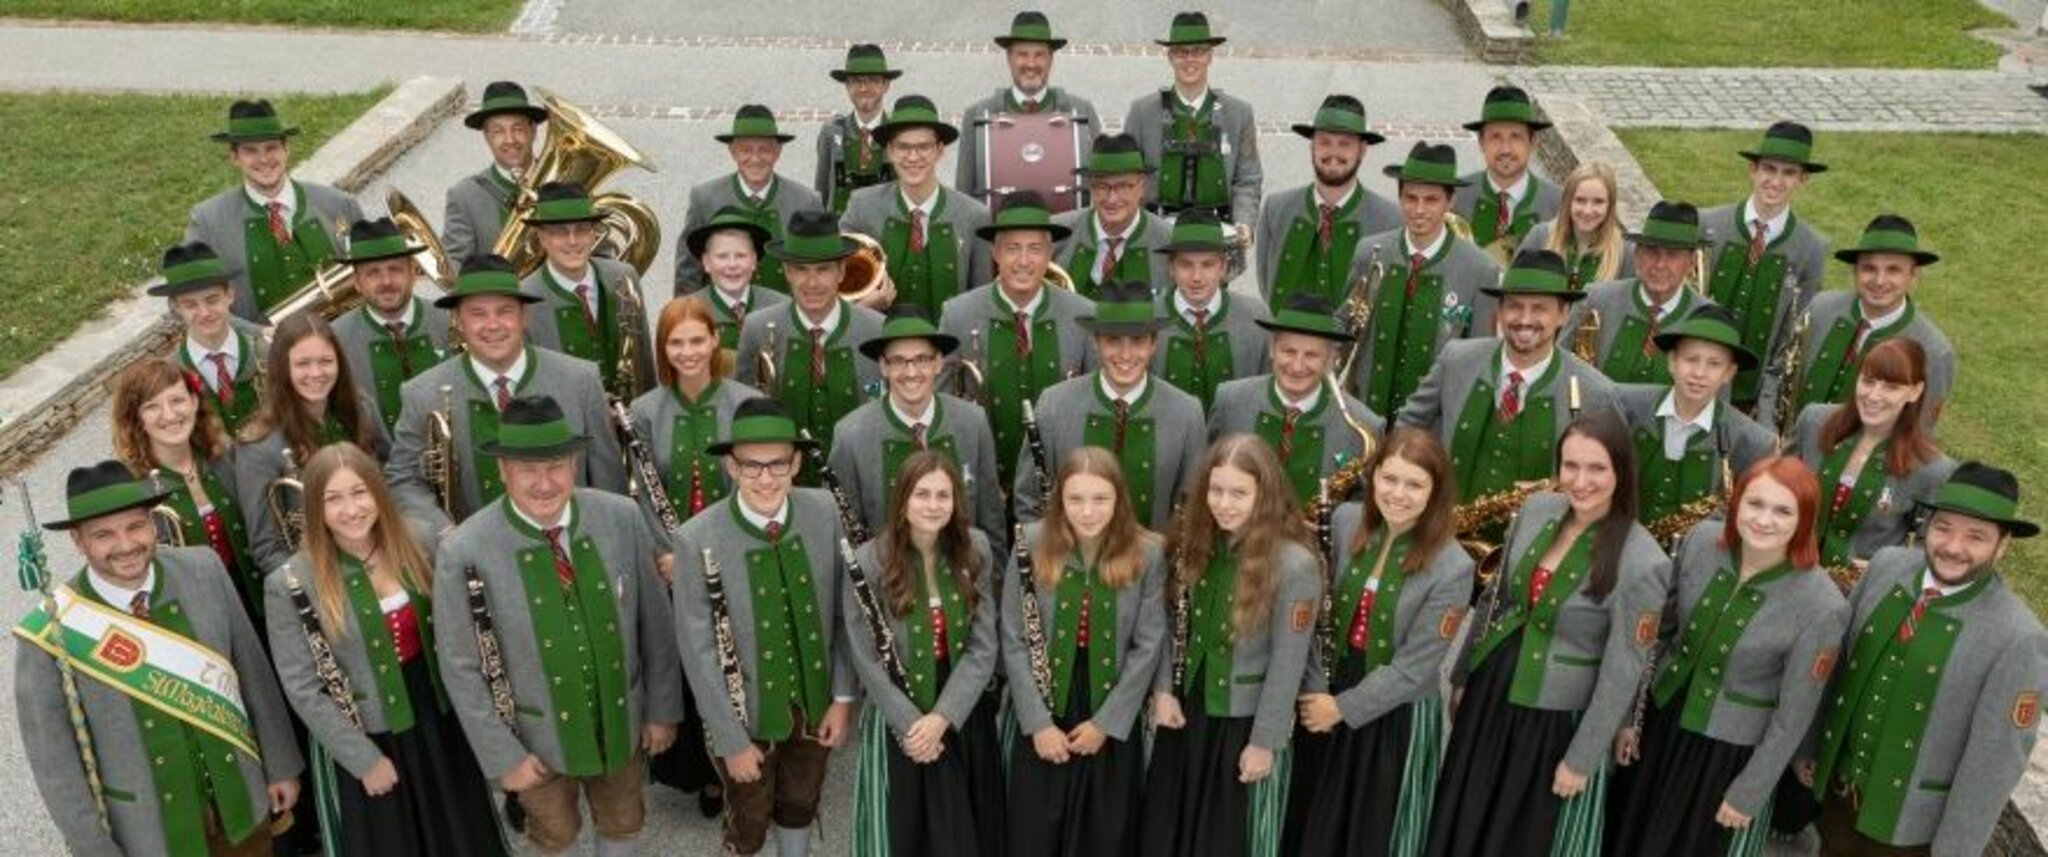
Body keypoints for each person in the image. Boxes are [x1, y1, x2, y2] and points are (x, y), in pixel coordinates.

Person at [432, 396, 683, 856]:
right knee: (554, 836)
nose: (544, 483)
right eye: (527, 469)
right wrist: (502, 757)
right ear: (503, 469)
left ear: (574, 463)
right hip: (534, 739)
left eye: (556, 465)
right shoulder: (465, 549)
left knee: (623, 822)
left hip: (621, 719)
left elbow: (657, 624)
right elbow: (460, 666)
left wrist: (662, 708)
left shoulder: (621, 517)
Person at [16, 460, 303, 857]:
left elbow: (253, 673)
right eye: (103, 535)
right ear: (78, 543)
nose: (125, 545)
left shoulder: (204, 569)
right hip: (147, 837)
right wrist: (93, 848)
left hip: (243, 804)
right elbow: (55, 765)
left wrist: (281, 763)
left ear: (152, 523)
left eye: (136, 526)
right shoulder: (52, 630)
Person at [1424, 412, 1670, 856]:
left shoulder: (1643, 561)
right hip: (1491, 697)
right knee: (1467, 813)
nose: (1580, 481)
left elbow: (1623, 671)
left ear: (1622, 472)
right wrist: (1462, 676)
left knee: (1520, 835)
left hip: (1552, 720)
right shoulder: (1537, 511)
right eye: (1570, 465)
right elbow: (1494, 598)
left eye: (1597, 468)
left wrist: (1582, 759)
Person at [263, 442, 502, 857]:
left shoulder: (421, 540)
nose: (351, 509)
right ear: (314, 508)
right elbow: (302, 688)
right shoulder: (289, 583)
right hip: (364, 733)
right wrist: (363, 760)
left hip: (438, 721)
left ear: (378, 491)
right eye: (332, 498)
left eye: (359, 492)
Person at [1605, 456, 1848, 857]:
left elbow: (1793, 717)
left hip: (1726, 756)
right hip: (1660, 726)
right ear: (1737, 503)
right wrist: (1630, 717)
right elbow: (1659, 634)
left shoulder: (1823, 605)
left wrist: (1749, 791)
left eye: (1783, 510)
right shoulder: (1702, 541)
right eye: (1755, 504)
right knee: (1625, 833)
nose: (1764, 520)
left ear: (1804, 519)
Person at [1804, 462, 2047, 855]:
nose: (1953, 546)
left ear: (2002, 546)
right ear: (1927, 525)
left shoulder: (2019, 639)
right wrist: (1811, 747)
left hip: (1910, 832)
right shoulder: (1886, 567)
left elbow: (1992, 767)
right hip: (1835, 796)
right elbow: (1837, 664)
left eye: (1976, 537)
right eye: (1944, 527)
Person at [671, 398, 859, 857]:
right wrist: (732, 741)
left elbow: (842, 615)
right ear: (731, 468)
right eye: (751, 466)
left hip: (814, 704)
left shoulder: (823, 511)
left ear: (796, 463)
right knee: (749, 817)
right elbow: (698, 653)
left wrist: (842, 697)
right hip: (743, 715)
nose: (766, 478)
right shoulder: (696, 537)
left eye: (778, 463)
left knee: (801, 799)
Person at [1285, 428, 1473, 857]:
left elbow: (1416, 669)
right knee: (1310, 812)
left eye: (1414, 484)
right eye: (1389, 479)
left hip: (1392, 713)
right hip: (1326, 690)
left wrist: (1342, 709)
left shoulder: (1453, 567)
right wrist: (1315, 690)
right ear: (1374, 478)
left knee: (1369, 830)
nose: (1398, 494)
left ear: (1436, 491)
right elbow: (1317, 614)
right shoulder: (1347, 520)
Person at [1142, 434, 1322, 856]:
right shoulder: (1196, 542)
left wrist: (1264, 742)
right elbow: (1167, 622)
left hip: (1241, 718)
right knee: (1165, 828)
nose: (1224, 503)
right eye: (1216, 490)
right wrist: (1163, 689)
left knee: (1220, 837)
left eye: (1239, 493)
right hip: (1184, 708)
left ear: (1265, 494)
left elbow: (1288, 663)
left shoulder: (1295, 563)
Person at [1002, 446, 1168, 855]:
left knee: (1104, 832)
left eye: (1100, 499)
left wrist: (1108, 724)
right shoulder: (1030, 541)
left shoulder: (1148, 551)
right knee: (1034, 831)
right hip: (1043, 700)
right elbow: (1013, 636)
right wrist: (1038, 724)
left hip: (1110, 703)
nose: (1088, 511)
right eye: (1075, 499)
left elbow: (1148, 643)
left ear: (1119, 499)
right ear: (1059, 499)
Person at [384, 254, 625, 531]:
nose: (493, 325)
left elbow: (609, 478)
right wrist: (444, 530)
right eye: (477, 313)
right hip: (474, 560)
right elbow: (403, 479)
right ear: (458, 321)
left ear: (524, 317)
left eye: (505, 311)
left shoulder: (580, 380)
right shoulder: (421, 393)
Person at [845, 451, 1005, 855]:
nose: (933, 506)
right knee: (907, 831)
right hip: (898, 711)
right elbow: (866, 657)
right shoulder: (869, 560)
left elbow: (983, 645)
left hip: (962, 705)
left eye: (943, 496)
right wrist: (914, 725)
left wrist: (943, 718)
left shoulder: (976, 548)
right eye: (922, 495)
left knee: (966, 828)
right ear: (902, 500)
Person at [1397, 250, 1622, 505]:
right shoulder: (1456, 359)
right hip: (1444, 530)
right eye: (1514, 306)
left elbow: (1608, 481)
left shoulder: (1596, 392)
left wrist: (1562, 489)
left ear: (1563, 314)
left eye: (1539, 308)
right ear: (1500, 311)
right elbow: (1408, 425)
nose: (1525, 319)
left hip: (1541, 539)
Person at [938, 190, 1098, 490]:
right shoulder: (958, 314)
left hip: (1064, 482)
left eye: (1035, 249)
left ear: (1050, 254)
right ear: (995, 253)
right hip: (983, 479)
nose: (1023, 261)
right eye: (1012, 248)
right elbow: (943, 407)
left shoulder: (1083, 315)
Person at [1016, 280, 1206, 531]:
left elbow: (1192, 508)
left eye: (1138, 341)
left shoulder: (1186, 413)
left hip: (1153, 565)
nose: (1125, 354)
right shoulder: (1054, 405)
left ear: (1153, 345)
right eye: (1113, 340)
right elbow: (1028, 500)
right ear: (1096, 344)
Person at [827, 305, 1006, 548]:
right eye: (898, 361)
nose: (911, 372)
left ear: (939, 363)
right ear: (883, 367)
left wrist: (991, 583)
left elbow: (991, 519)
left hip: (963, 579)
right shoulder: (850, 434)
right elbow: (843, 534)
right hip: (886, 580)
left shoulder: (973, 422)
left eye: (922, 359)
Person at [1758, 214, 1956, 430]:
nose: (1879, 281)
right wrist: (1768, 435)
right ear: (1855, 271)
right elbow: (1777, 374)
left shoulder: (1934, 351)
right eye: (1869, 268)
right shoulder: (1820, 308)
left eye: (1893, 270)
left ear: (1913, 275)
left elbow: (1919, 432)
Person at [1348, 142, 1501, 419]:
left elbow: (1479, 358)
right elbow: (1346, 323)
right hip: (1365, 412)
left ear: (1450, 201)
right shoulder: (1368, 252)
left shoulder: (1481, 270)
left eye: (1431, 200)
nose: (1419, 209)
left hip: (1432, 422)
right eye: (1410, 198)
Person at [732, 209, 886, 484]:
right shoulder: (757, 328)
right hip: (784, 492)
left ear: (841, 272)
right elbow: (745, 419)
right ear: (786, 272)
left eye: (823, 269)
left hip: (861, 487)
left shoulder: (877, 329)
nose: (811, 282)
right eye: (801, 269)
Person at [109, 358, 266, 623]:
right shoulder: (132, 491)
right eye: (152, 407)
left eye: (177, 401)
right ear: (137, 419)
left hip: (263, 604)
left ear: (194, 402)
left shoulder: (228, 458)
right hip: (201, 622)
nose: (169, 415)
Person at [235, 312, 388, 576]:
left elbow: (392, 479)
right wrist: (319, 587)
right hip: (325, 580)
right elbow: (267, 549)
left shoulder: (361, 408)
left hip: (387, 558)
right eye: (302, 363)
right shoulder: (258, 446)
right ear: (283, 368)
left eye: (326, 361)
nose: (316, 373)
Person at [185, 98, 365, 323]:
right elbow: (186, 298)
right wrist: (256, 335)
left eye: (272, 147)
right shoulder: (208, 220)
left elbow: (370, 274)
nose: (263, 159)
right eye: (251, 151)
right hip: (262, 352)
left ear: (286, 150)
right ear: (234, 158)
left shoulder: (339, 204)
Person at [1789, 337, 1956, 574]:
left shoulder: (1933, 469)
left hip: (1856, 592)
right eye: (1868, 381)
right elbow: (1777, 485)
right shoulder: (1814, 421)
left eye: (1891, 387)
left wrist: (1885, 568)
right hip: (1785, 568)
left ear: (1915, 391)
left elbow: (1927, 547)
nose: (1874, 396)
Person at [1699, 121, 1831, 408]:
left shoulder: (1811, 248)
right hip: (1694, 379)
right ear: (1753, 170)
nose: (1776, 181)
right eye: (1769, 169)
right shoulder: (1708, 225)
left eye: (1789, 173)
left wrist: (1768, 403)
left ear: (1802, 179)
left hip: (1751, 397)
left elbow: (1796, 332)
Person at [1611, 305, 1777, 534]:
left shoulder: (1753, 442)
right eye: (1691, 359)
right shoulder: (1626, 405)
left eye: (1714, 364)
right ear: (1672, 362)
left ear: (1729, 373)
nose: (1699, 373)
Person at [1208, 293, 1385, 505]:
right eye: (1289, 351)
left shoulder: (1365, 425)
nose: (1297, 366)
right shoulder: (1230, 401)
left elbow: (1364, 509)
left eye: (1311, 355)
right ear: (1272, 348)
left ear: (1332, 359)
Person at [1125, 11, 1262, 249]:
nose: (1190, 59)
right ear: (1170, 57)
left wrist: (1244, 222)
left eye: (1198, 51)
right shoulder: (1142, 111)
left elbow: (1248, 178)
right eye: (1181, 52)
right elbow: (1128, 175)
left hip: (1218, 233)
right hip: (1156, 233)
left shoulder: (1239, 113)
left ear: (1210, 56)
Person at [842, 95, 994, 311]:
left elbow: (982, 300)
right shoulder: (862, 207)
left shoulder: (974, 215)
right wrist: (864, 308)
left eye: (923, 147)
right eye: (903, 147)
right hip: (878, 341)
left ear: (939, 150)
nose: (913, 157)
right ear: (890, 151)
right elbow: (836, 284)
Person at [627, 294, 763, 530]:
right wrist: (667, 551)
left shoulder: (749, 403)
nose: (687, 352)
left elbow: (757, 486)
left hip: (737, 541)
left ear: (714, 340)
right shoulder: (643, 411)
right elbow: (647, 497)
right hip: (671, 553)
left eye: (697, 341)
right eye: (676, 343)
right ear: (663, 347)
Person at [1257, 94, 1402, 309]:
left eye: (1345, 144)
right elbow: (1266, 284)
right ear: (1312, 146)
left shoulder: (1390, 219)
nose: (1333, 153)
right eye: (1324, 142)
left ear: (1362, 150)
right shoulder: (1276, 208)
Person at [517, 181, 657, 400]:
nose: (572, 241)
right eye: (559, 232)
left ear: (594, 234)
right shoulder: (525, 296)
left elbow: (643, 358)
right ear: (542, 238)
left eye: (582, 229)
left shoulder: (624, 276)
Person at [954, 11, 1103, 202]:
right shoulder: (977, 114)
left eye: (1039, 55)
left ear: (1051, 59)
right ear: (1009, 58)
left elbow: (1101, 181)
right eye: (1022, 55)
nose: (1031, 64)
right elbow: (963, 195)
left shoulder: (1082, 110)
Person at [1562, 200, 1716, 386]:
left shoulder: (1709, 319)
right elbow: (1559, 366)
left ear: (1691, 262)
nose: (1660, 264)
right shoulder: (1596, 299)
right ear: (1637, 254)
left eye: (1672, 255)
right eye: (1652, 252)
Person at [673, 105, 823, 294]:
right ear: (732, 152)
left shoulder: (806, 201)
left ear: (778, 152)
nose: (755, 159)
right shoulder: (704, 198)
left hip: (785, 315)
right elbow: (688, 270)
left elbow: (817, 266)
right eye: (745, 150)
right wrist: (686, 315)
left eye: (764, 150)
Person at [329, 217, 452, 434]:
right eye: (373, 272)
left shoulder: (450, 320)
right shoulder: (335, 339)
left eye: (395, 269)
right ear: (357, 282)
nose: (386, 281)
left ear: (413, 273)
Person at [1150, 212, 1272, 410]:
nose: (1197, 277)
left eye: (1207, 265)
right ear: (1171, 268)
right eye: (1186, 265)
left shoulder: (1256, 318)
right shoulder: (1148, 317)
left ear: (1223, 267)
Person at [154, 241, 271, 442]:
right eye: (190, 305)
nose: (204, 313)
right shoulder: (169, 374)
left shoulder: (266, 351)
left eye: (212, 300)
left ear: (230, 295)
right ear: (175, 307)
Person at [1053, 133, 1174, 298]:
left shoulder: (1170, 241)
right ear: (1091, 187)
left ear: (1142, 187)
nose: (1112, 199)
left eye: (1123, 186)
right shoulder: (1055, 233)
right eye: (1102, 186)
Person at [1451, 86, 1562, 264]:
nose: (1506, 149)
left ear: (1532, 142)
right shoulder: (1454, 196)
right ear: (1481, 143)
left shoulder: (1559, 204)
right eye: (1496, 137)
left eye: (1516, 137)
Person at [442, 80, 547, 265]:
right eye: (498, 131)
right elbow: (455, 265)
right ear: (487, 137)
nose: (510, 139)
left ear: (533, 131)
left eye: (518, 129)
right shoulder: (464, 195)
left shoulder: (565, 183)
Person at [683, 206, 788, 350]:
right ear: (706, 263)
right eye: (722, 256)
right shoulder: (687, 313)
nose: (732, 265)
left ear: (754, 261)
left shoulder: (783, 308)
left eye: (741, 255)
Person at [815, 44, 901, 214]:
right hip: (840, 235)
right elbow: (821, 194)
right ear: (846, 86)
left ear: (886, 85)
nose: (863, 88)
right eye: (856, 81)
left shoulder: (898, 133)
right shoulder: (831, 132)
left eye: (872, 80)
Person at [1520, 161, 1633, 289]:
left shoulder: (1626, 252)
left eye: (1598, 202)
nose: (1587, 211)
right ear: (1568, 201)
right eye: (1580, 200)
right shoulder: (1540, 236)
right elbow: (1511, 291)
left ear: (1610, 205)